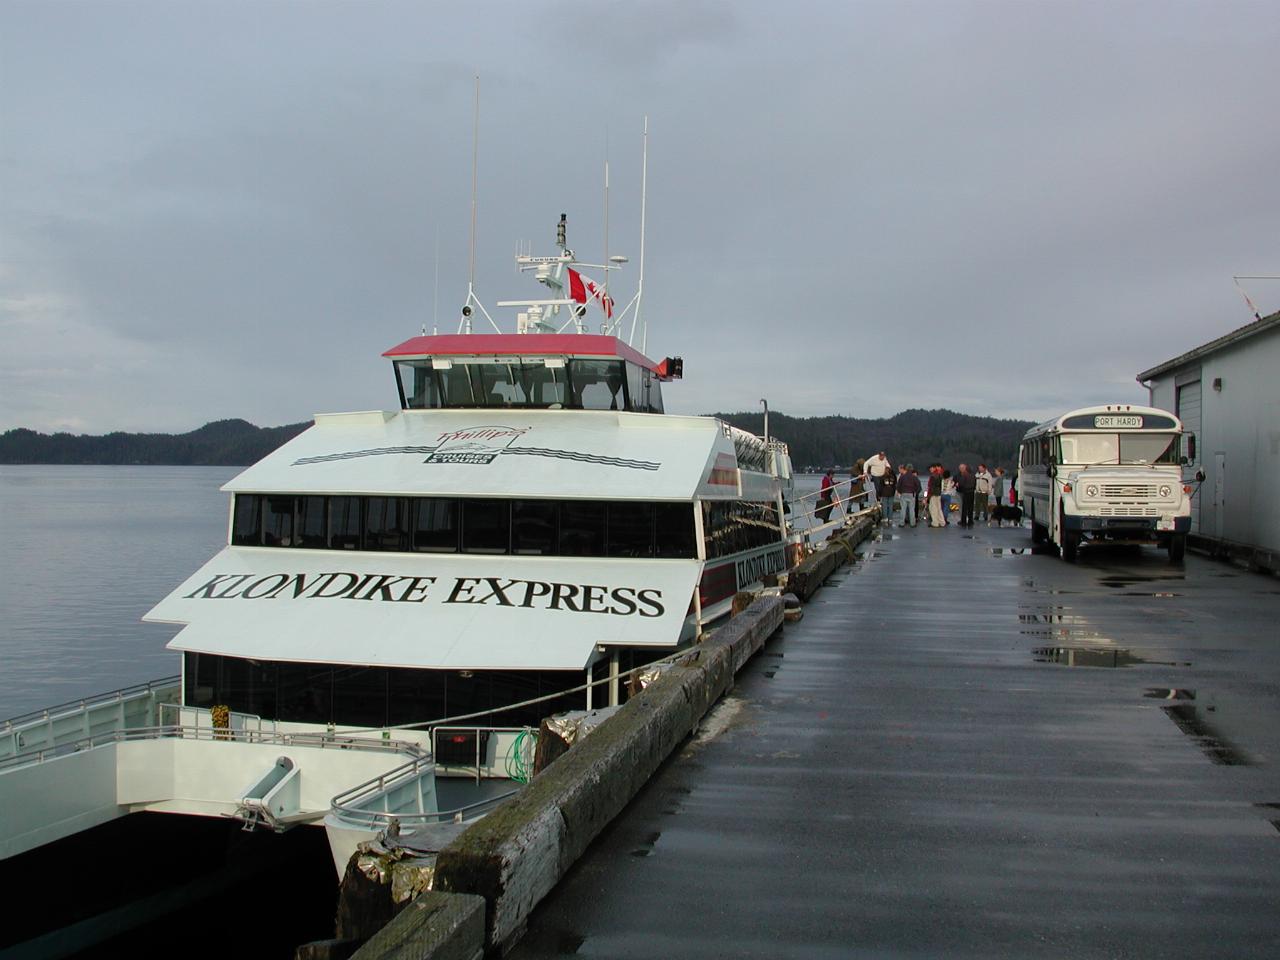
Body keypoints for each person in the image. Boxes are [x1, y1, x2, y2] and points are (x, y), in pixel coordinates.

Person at [955, 462, 977, 527]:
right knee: (970, 507)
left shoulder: (965, 475)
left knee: (964, 508)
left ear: (966, 469)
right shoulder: (973, 476)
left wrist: (957, 484)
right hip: (972, 492)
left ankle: (963, 521)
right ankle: (970, 520)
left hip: (966, 492)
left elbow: (961, 484)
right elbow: (975, 484)